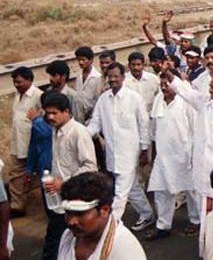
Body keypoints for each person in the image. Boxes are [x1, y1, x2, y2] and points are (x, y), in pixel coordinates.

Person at [163, 65, 213, 230]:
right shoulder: (204, 103)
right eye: (210, 86)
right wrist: (168, 73)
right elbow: (184, 91)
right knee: (205, 218)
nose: (210, 90)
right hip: (202, 172)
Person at [87, 63, 154, 229]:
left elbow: (144, 124)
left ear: (123, 77)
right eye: (110, 77)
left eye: (116, 76)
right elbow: (95, 123)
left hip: (130, 152)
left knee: (120, 192)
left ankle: (110, 226)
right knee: (132, 188)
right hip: (112, 153)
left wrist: (144, 149)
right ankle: (147, 214)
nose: (113, 80)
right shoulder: (104, 99)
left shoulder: (134, 98)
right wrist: (80, 135)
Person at [40, 91, 98, 259]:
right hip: (58, 196)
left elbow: (90, 166)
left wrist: (64, 182)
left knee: (63, 237)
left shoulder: (78, 132)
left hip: (75, 195)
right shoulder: (55, 130)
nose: (50, 117)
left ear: (66, 112)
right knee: (59, 237)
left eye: (54, 113)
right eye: (47, 113)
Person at [146, 77, 199, 240]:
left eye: (167, 83)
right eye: (162, 84)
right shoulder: (158, 100)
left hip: (184, 154)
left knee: (191, 190)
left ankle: (196, 220)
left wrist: (194, 154)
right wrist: (154, 154)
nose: (164, 87)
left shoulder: (186, 102)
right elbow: (154, 130)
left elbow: (195, 128)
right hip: (163, 154)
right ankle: (163, 226)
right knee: (161, 190)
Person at [57, 172, 146, 260]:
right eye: (68, 213)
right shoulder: (68, 237)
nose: (71, 222)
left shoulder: (126, 249)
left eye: (80, 214)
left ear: (104, 210)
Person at [9, 66, 43, 217]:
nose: (17, 85)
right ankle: (17, 205)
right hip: (17, 143)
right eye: (15, 82)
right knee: (15, 173)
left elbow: (45, 121)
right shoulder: (18, 95)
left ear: (29, 80)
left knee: (33, 173)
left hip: (32, 144)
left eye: (20, 82)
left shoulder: (38, 96)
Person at [74, 46, 103, 124]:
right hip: (79, 113)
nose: (80, 62)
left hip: (91, 116)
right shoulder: (79, 74)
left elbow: (98, 99)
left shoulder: (97, 77)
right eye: (79, 60)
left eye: (83, 60)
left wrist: (90, 113)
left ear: (91, 60)